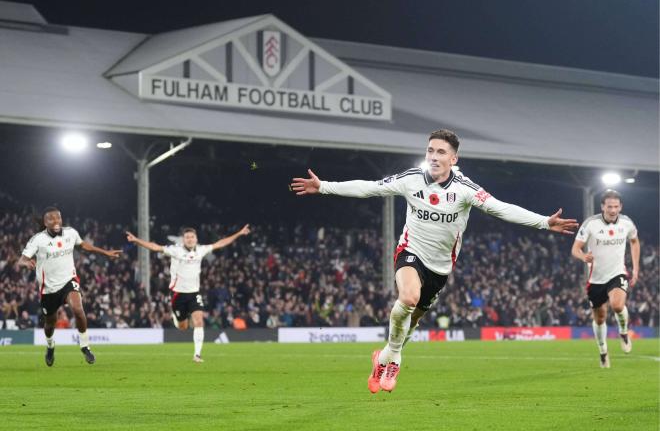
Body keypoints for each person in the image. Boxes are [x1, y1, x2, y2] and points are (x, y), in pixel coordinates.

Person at [291, 129, 578, 393]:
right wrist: (325, 186)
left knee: (412, 320)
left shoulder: (465, 189)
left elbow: (500, 209)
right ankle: (395, 359)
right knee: (409, 297)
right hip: (410, 250)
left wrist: (543, 222)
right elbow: (371, 187)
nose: (434, 156)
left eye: (441, 152)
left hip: (440, 267)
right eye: (430, 150)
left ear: (454, 158)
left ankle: (385, 356)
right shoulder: (412, 179)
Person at [126, 224, 250, 362]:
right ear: (183, 240)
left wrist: (238, 233)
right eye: (187, 237)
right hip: (178, 294)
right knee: (183, 327)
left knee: (199, 321)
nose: (190, 239)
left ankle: (197, 354)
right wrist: (137, 240)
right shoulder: (175, 250)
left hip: (194, 293)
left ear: (196, 239)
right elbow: (155, 247)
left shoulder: (201, 250)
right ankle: (176, 317)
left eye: (192, 237)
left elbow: (220, 243)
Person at [15, 207, 122, 366]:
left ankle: (85, 346)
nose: (56, 221)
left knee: (78, 309)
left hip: (68, 281)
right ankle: (50, 346)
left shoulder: (71, 233)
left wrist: (105, 252)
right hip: (49, 289)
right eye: (52, 219)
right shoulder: (38, 239)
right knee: (50, 324)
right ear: (45, 222)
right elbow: (21, 260)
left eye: (58, 218)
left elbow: (84, 245)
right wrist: (27, 263)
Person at [571, 189, 639, 368]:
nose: (613, 210)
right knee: (600, 318)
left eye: (616, 206)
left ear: (620, 206)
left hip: (617, 273)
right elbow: (575, 248)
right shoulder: (590, 224)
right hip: (596, 279)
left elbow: (634, 241)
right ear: (602, 206)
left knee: (617, 305)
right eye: (609, 206)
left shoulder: (626, 223)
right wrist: (583, 256)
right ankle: (603, 351)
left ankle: (623, 332)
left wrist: (636, 268)